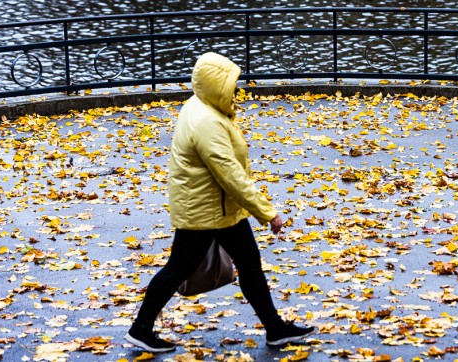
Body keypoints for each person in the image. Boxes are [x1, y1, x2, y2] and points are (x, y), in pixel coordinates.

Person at [124, 52, 315, 352]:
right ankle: (140, 329)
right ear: (216, 86)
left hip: (217, 209)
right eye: (231, 85)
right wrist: (267, 213)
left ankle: (275, 328)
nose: (236, 91)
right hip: (206, 212)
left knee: (250, 266)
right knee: (178, 269)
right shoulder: (207, 123)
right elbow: (231, 176)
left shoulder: (201, 106)